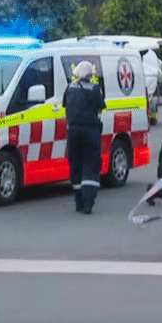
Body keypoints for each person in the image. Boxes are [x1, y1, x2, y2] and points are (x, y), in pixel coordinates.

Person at [63, 60, 106, 214]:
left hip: (73, 132)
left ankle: (79, 202)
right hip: (91, 131)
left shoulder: (70, 88)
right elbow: (100, 107)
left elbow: (66, 107)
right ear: (90, 74)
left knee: (76, 165)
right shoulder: (95, 89)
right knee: (91, 165)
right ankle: (88, 203)